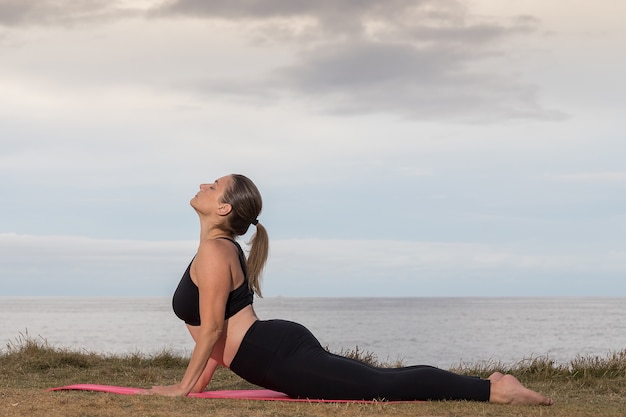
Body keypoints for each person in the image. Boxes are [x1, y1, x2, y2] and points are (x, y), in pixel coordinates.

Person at [146, 174, 554, 405]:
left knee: (381, 388)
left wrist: (182, 388)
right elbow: (210, 332)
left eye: (213, 184)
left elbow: (215, 330)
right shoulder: (213, 250)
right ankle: (491, 381)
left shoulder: (216, 253)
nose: (203, 183)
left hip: (274, 354)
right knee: (376, 378)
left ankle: (495, 391)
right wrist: (197, 385)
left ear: (223, 209)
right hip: (270, 347)